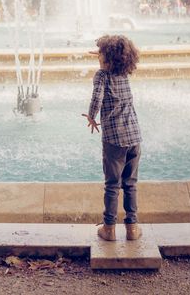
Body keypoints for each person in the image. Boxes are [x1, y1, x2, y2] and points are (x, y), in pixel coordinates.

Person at [82, 34, 142, 242]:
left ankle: (109, 228)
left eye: (102, 53)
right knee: (130, 184)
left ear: (108, 58)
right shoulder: (123, 73)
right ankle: (132, 228)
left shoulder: (102, 75)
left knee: (112, 185)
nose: (98, 56)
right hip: (134, 137)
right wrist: (104, 55)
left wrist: (91, 116)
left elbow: (96, 98)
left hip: (114, 140)